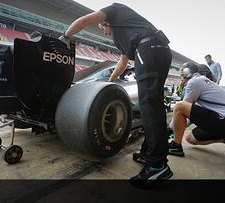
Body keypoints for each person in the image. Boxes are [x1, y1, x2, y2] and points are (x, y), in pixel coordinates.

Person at [58, 3, 173, 185]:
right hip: (159, 50)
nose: (103, 32)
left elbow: (85, 20)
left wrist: (65, 36)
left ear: (105, 22)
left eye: (102, 27)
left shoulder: (114, 10)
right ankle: (149, 153)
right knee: (153, 105)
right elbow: (123, 61)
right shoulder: (123, 35)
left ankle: (158, 166)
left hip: (149, 48)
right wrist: (110, 81)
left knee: (149, 107)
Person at [168, 62, 225, 159]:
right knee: (190, 139)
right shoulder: (202, 81)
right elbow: (190, 116)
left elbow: (182, 109)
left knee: (179, 106)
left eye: (182, 74)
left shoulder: (194, 82)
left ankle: (175, 146)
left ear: (188, 72)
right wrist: (173, 128)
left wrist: (169, 128)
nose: (180, 77)